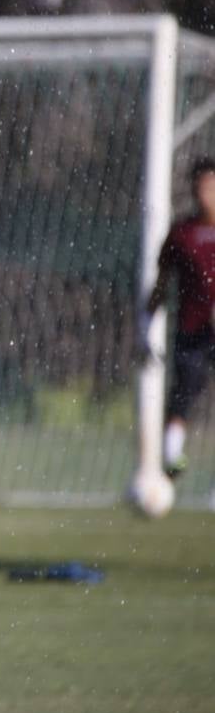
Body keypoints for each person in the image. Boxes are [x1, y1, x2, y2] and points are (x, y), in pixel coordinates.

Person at [143, 156, 215, 479]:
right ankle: (171, 455)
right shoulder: (182, 234)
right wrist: (145, 328)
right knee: (184, 390)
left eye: (211, 186)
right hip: (192, 329)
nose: (205, 193)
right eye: (201, 186)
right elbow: (161, 285)